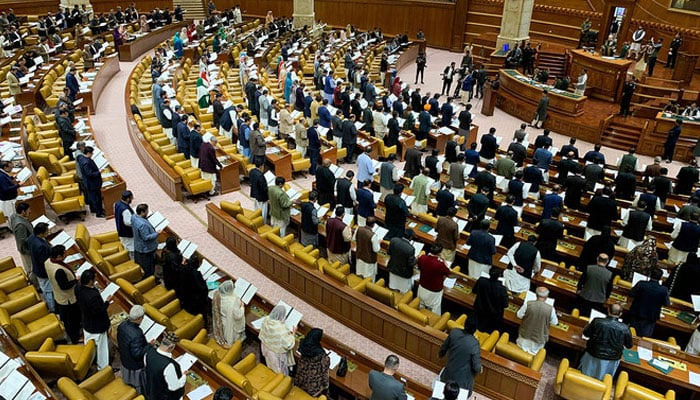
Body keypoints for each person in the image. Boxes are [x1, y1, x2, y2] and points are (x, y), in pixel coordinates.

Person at [578, 303, 632, 381]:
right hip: (611, 359)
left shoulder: (597, 321)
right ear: (620, 314)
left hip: (592, 353)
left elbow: (586, 333)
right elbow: (629, 345)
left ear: (608, 310)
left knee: (585, 376)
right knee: (603, 379)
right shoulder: (625, 328)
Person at [76, 268, 111, 369]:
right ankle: (103, 368)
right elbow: (99, 311)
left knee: (89, 346)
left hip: (87, 322)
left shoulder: (78, 288)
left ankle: (90, 361)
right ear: (90, 281)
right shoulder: (93, 296)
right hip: (98, 326)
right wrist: (107, 302)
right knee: (102, 348)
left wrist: (94, 288)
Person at [45, 245, 81, 343]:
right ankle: (75, 338)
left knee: (67, 320)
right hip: (68, 299)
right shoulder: (59, 270)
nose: (66, 254)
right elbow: (64, 286)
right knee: (73, 321)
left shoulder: (48, 262)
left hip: (58, 296)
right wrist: (75, 280)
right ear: (59, 256)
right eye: (64, 253)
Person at [439, 317, 482, 394]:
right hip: (462, 385)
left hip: (447, 376)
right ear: (475, 330)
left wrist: (441, 355)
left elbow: (442, 351)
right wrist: (480, 369)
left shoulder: (454, 332)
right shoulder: (474, 344)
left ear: (464, 324)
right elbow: (477, 368)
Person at [143, 331, 186, 400]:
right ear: (171, 347)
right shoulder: (169, 366)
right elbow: (174, 387)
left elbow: (148, 368)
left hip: (152, 390)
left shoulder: (148, 353)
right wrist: (184, 376)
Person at [627, 268, 670, 337]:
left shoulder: (641, 284)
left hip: (636, 314)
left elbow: (631, 294)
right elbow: (667, 303)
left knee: (631, 334)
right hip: (650, 318)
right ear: (661, 278)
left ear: (650, 275)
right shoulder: (664, 290)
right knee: (644, 339)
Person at [117, 305, 151, 393]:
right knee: (140, 386)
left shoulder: (122, 325)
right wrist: (149, 345)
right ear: (139, 318)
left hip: (125, 359)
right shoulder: (137, 334)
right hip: (135, 366)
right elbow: (137, 354)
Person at [516, 286, 558, 355]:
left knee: (520, 353)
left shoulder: (528, 304)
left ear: (536, 294)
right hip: (539, 340)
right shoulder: (551, 309)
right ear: (546, 297)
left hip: (524, 337)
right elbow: (554, 322)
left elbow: (519, 315)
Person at [259, 304, 296, 375]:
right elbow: (289, 344)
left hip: (266, 348)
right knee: (278, 370)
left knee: (269, 364)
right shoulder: (281, 329)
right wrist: (293, 333)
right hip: (276, 353)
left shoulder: (266, 319)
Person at [294, 328, 330, 397]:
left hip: (299, 383)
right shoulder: (322, 356)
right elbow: (325, 375)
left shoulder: (303, 346)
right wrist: (326, 388)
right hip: (313, 390)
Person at [416, 244, 452, 314]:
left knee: (420, 304)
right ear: (440, 253)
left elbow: (419, 267)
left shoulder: (422, 258)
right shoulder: (440, 265)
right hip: (434, 291)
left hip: (422, 286)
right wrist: (443, 260)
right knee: (435, 309)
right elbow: (447, 272)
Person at [211, 279, 246, 347]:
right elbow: (238, 315)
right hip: (231, 323)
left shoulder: (218, 294)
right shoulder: (232, 302)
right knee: (234, 336)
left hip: (223, 319)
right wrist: (242, 307)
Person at [473, 267, 509, 333]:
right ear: (499, 276)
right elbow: (505, 305)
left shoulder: (481, 281)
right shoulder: (502, 289)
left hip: (479, 312)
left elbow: (474, 291)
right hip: (493, 317)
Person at [29, 222, 53, 311]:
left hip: (36, 268)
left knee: (45, 288)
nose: (48, 233)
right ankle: (52, 308)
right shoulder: (40, 246)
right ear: (41, 233)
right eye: (47, 231)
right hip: (43, 271)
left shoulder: (32, 238)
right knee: (48, 290)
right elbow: (45, 261)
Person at [77, 146, 105, 217]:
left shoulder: (81, 158)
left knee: (92, 197)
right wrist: (98, 172)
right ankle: (99, 213)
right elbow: (89, 174)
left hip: (89, 183)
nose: (92, 154)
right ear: (88, 153)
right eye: (91, 153)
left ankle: (94, 209)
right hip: (92, 184)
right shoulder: (86, 162)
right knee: (97, 198)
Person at [132, 203, 158, 277]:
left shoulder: (133, 217)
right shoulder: (143, 224)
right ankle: (150, 279)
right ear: (142, 212)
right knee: (149, 266)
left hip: (137, 245)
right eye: (146, 211)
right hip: (146, 249)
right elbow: (146, 237)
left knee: (141, 263)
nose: (147, 212)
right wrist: (157, 234)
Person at [387, 229, 416, 293]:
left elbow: (388, 252)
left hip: (393, 268)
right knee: (403, 293)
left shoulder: (393, 240)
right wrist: (416, 260)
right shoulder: (410, 249)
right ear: (411, 238)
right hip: (404, 274)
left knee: (392, 288)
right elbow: (411, 264)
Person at [10, 202, 33, 281]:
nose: (30, 211)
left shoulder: (14, 216)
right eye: (28, 210)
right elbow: (22, 241)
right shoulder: (20, 225)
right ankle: (36, 286)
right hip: (27, 250)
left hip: (24, 248)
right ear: (23, 212)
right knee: (31, 268)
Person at [355, 216, 381, 281]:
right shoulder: (373, 236)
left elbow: (355, 239)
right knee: (369, 280)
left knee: (360, 276)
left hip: (360, 256)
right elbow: (376, 249)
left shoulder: (359, 229)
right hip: (368, 261)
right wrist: (379, 242)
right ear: (373, 225)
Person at [115, 191, 135, 257]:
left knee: (126, 244)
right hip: (126, 232)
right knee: (131, 248)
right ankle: (133, 262)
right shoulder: (125, 210)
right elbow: (128, 222)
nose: (132, 200)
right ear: (128, 199)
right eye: (131, 198)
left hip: (120, 229)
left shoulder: (116, 203)